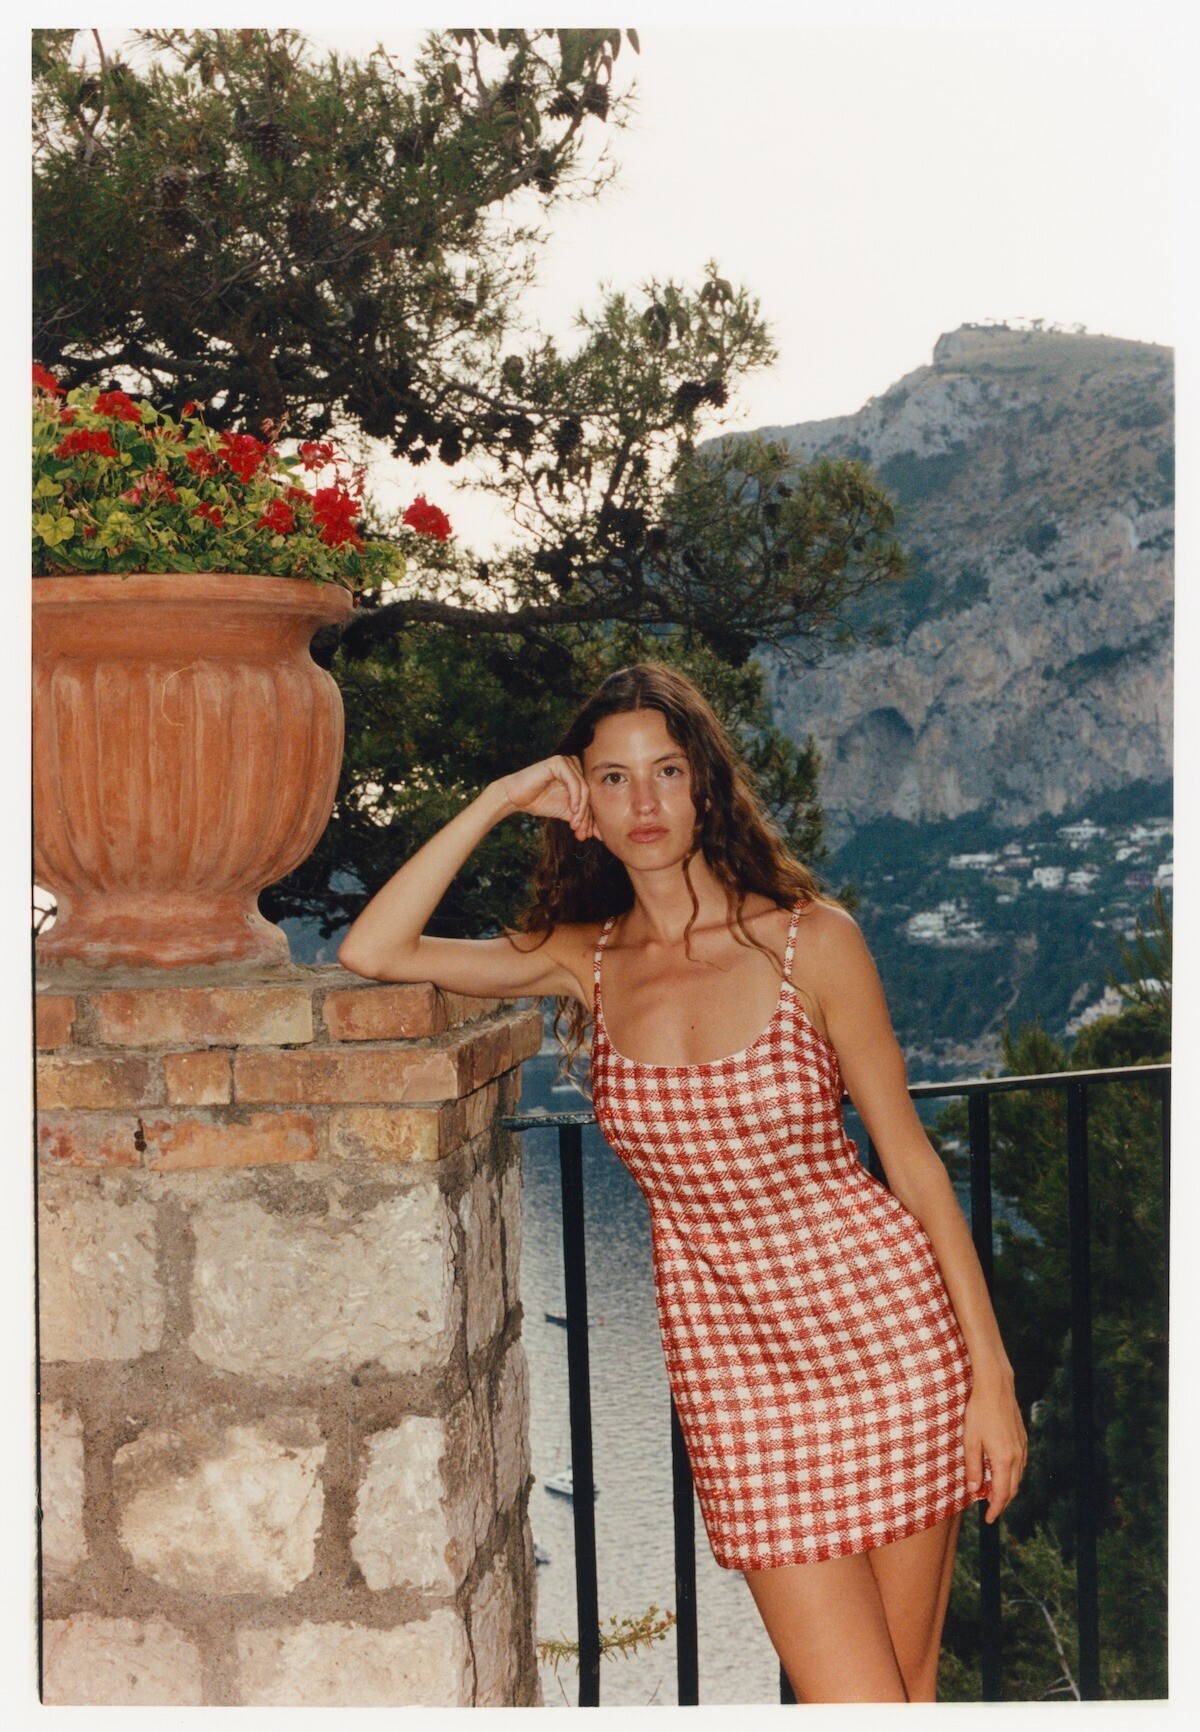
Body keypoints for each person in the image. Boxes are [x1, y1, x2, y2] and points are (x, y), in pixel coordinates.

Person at [337, 661, 1027, 1704]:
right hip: (737, 1381)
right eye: (612, 779)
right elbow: (374, 949)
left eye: (666, 770)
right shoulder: (583, 960)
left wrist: (993, 1379)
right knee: (859, 1700)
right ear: (585, 807)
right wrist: (500, 798)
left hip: (890, 1344)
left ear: (705, 783)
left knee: (904, 1691)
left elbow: (913, 1164)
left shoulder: (811, 941)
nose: (645, 802)